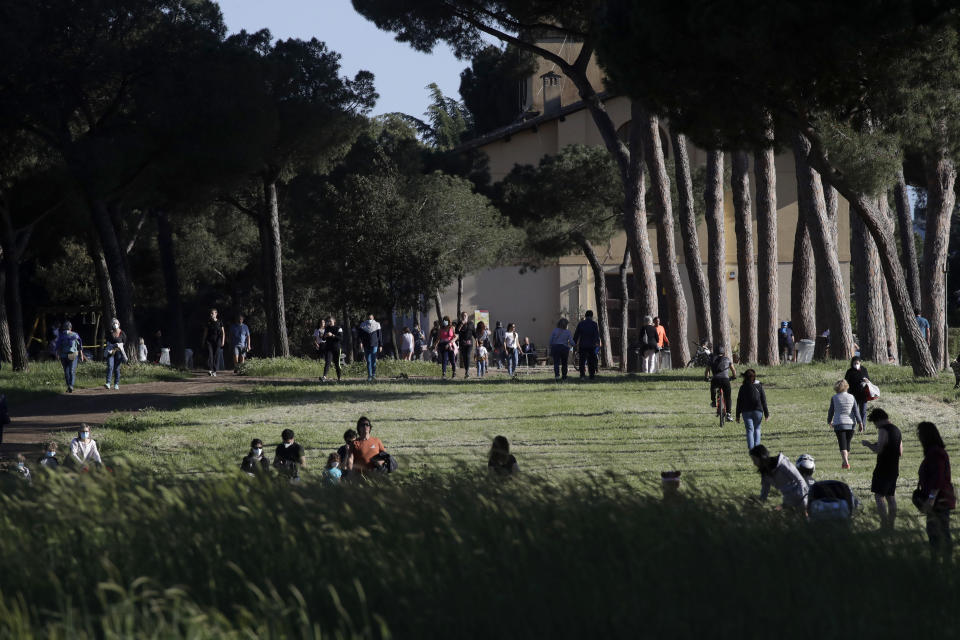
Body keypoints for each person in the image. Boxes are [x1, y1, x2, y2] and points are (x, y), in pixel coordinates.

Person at [917, 421, 955, 561]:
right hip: (939, 499)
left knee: (938, 532)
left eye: (920, 434)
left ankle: (942, 562)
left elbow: (938, 478)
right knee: (937, 532)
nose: (919, 437)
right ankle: (940, 560)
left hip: (939, 500)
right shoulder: (935, 452)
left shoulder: (935, 453)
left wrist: (931, 499)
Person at [862, 408, 902, 531]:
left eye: (875, 423)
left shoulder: (883, 430)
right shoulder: (897, 429)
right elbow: (900, 452)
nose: (875, 426)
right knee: (891, 496)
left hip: (883, 467)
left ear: (879, 420)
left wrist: (868, 444)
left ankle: (884, 525)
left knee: (879, 496)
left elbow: (878, 450)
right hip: (894, 467)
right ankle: (891, 525)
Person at [749, 444, 808, 512]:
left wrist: (804, 502)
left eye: (755, 460)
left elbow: (800, 480)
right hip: (788, 501)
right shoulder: (765, 474)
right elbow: (764, 493)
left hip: (802, 499)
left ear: (761, 457)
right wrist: (758, 506)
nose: (754, 463)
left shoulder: (783, 464)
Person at [827, 379, 863, 470]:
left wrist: (829, 420)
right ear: (846, 386)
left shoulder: (834, 398)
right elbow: (856, 411)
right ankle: (845, 462)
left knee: (842, 443)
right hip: (851, 424)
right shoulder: (851, 397)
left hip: (839, 423)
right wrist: (860, 422)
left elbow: (831, 411)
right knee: (847, 443)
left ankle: (846, 462)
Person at [735, 369, 769, 450]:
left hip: (746, 411)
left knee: (749, 430)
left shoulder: (742, 388)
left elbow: (739, 401)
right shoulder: (759, 386)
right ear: (754, 377)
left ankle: (751, 449)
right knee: (757, 428)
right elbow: (763, 401)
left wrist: (737, 415)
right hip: (758, 410)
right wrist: (766, 414)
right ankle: (757, 448)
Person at [704, 347, 736, 422]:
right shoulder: (727, 359)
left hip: (715, 379)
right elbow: (733, 370)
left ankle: (713, 401)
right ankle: (728, 414)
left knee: (713, 388)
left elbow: (707, 370)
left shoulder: (711, 359)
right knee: (728, 397)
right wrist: (734, 377)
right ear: (723, 353)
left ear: (715, 353)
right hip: (725, 380)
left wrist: (706, 377)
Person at [54, 321, 86, 392]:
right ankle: (70, 386)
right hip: (69, 355)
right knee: (70, 371)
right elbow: (79, 345)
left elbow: (58, 346)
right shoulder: (75, 335)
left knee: (68, 371)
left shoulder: (62, 336)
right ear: (70, 328)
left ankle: (70, 386)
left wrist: (57, 354)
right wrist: (81, 354)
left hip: (65, 355)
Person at [844, 356, 871, 427]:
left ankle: (863, 426)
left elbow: (868, 379)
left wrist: (866, 380)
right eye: (854, 363)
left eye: (857, 363)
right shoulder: (849, 371)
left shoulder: (864, 369)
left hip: (863, 394)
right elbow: (845, 382)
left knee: (863, 411)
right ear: (852, 363)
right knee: (853, 411)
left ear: (860, 363)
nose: (856, 364)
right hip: (853, 394)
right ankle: (852, 426)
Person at [573, 311, 601, 380]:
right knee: (591, 361)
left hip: (583, 345)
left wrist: (574, 343)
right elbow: (596, 335)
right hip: (591, 345)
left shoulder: (581, 324)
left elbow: (576, 334)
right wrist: (597, 342)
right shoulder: (594, 324)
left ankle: (582, 375)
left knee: (582, 361)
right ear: (591, 316)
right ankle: (592, 375)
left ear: (585, 316)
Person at [357, 313, 383, 382]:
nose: (369, 317)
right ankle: (369, 375)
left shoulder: (377, 324)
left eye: (371, 316)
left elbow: (379, 336)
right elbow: (360, 335)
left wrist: (380, 345)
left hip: (374, 344)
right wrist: (360, 342)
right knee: (368, 361)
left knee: (373, 360)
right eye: (368, 316)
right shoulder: (363, 325)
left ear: (373, 317)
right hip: (366, 344)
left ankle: (373, 375)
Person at [104, 318, 127, 390]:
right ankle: (108, 383)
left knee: (116, 368)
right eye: (113, 323)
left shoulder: (122, 333)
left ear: (119, 324)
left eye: (116, 323)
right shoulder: (109, 333)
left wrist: (119, 346)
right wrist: (111, 347)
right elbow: (107, 342)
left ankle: (116, 384)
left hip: (119, 352)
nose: (115, 324)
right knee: (110, 366)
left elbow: (124, 342)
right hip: (110, 352)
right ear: (111, 325)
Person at [202, 308, 225, 377]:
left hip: (218, 341)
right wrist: (203, 341)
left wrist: (223, 341)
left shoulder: (220, 322)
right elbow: (205, 332)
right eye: (211, 313)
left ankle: (214, 371)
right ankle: (210, 369)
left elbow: (223, 333)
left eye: (213, 313)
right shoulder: (208, 322)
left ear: (216, 314)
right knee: (210, 355)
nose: (211, 314)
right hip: (209, 341)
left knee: (216, 355)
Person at [321, 317, 344, 382]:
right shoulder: (327, 328)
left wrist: (332, 335)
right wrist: (325, 336)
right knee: (327, 362)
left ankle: (339, 378)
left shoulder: (339, 328)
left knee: (337, 363)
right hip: (329, 348)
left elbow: (340, 338)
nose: (329, 322)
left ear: (334, 321)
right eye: (328, 321)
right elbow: (323, 339)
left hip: (337, 348)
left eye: (331, 321)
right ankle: (324, 377)